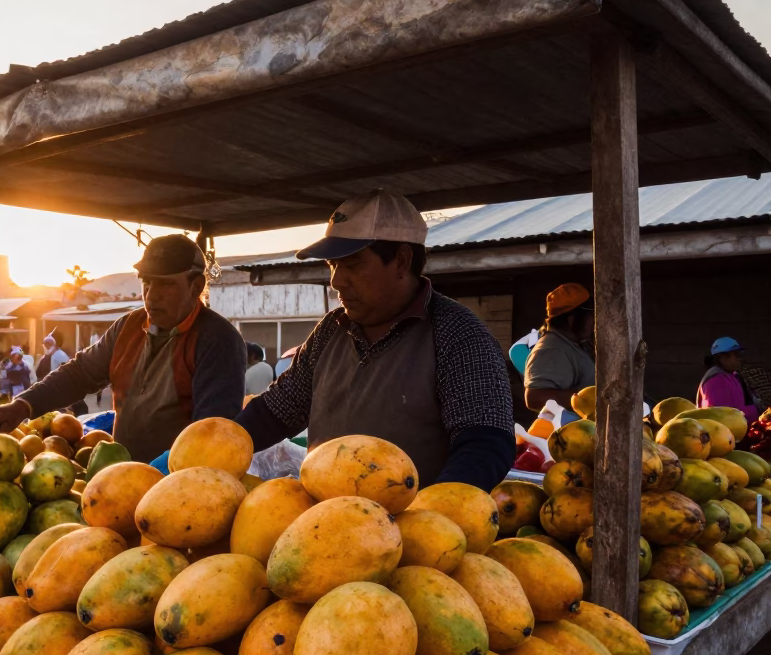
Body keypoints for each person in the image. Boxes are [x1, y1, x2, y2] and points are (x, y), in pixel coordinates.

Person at [235, 191, 515, 490]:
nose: (336, 280)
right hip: (319, 523)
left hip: (410, 530)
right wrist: (213, 451)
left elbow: (485, 444)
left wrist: (438, 510)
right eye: (332, 265)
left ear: (401, 261)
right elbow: (276, 412)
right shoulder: (331, 328)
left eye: (352, 264)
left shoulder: (458, 333)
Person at [0, 234, 247, 463]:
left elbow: (212, 432)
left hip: (179, 490)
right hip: (122, 482)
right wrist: (23, 405)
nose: (151, 295)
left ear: (195, 286)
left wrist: (163, 471)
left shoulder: (217, 340)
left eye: (165, 284)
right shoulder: (128, 327)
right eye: (147, 282)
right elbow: (79, 373)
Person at [523, 283, 596, 419]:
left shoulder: (571, 344)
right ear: (571, 320)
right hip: (570, 436)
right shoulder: (552, 350)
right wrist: (585, 401)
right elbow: (534, 397)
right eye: (589, 317)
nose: (593, 322)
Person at [698, 337, 760, 426]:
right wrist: (756, 409)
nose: (739, 359)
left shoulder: (732, 376)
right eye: (736, 355)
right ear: (722, 359)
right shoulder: (716, 381)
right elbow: (720, 415)